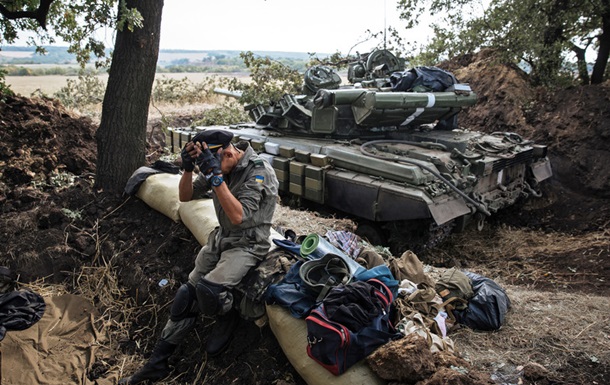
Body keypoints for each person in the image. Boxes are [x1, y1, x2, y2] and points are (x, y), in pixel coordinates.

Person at [119, 129, 279, 385]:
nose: (216, 172)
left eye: (217, 166)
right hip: (222, 237)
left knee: (210, 291)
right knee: (187, 295)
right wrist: (188, 168)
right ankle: (157, 364)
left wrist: (217, 177)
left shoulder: (259, 172)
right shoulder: (220, 164)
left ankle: (227, 315)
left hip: (249, 243)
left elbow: (239, 217)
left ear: (228, 153)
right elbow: (184, 196)